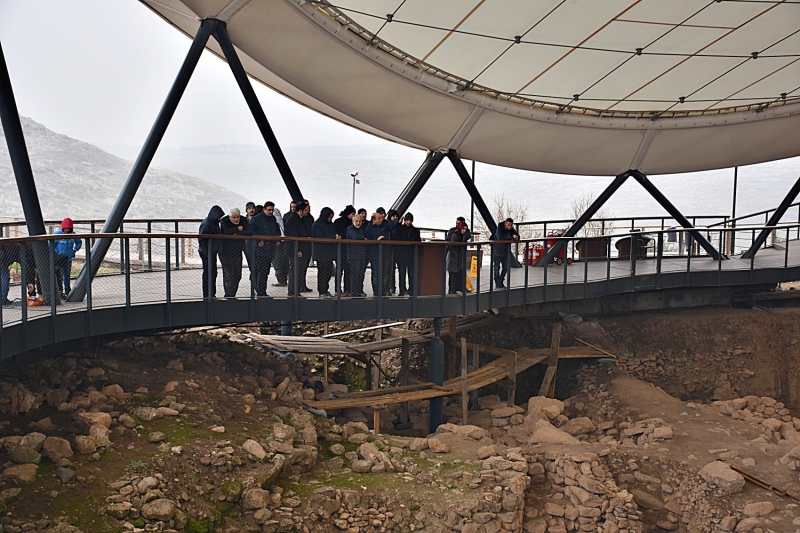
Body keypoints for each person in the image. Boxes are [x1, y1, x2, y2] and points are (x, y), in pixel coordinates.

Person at [249, 201, 282, 297]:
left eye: (272, 210)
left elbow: (277, 230)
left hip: (270, 249)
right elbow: (252, 231)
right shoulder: (256, 219)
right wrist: (260, 239)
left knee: (265, 271)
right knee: (261, 271)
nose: (271, 212)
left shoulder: (272, 219)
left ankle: (260, 290)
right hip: (260, 250)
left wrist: (277, 239)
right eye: (269, 210)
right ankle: (260, 291)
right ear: (264, 209)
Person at [219, 207, 252, 298]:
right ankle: (229, 295)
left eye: (237, 217)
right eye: (234, 217)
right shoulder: (224, 221)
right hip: (225, 251)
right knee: (229, 274)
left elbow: (249, 231)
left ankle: (232, 294)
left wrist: (237, 234)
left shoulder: (243, 220)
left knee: (237, 274)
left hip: (237, 251)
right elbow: (226, 232)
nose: (236, 219)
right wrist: (238, 228)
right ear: (229, 217)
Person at [285, 201, 313, 296]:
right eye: (305, 210)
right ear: (300, 211)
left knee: (300, 271)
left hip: (303, 248)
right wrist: (297, 250)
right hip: (296, 250)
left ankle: (296, 290)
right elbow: (293, 237)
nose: (307, 212)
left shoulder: (302, 218)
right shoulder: (292, 220)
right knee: (295, 270)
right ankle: (292, 291)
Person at [391, 212, 421, 296]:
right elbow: (395, 240)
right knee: (402, 274)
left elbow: (418, 241)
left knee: (411, 274)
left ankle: (411, 290)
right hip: (402, 254)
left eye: (410, 220)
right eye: (407, 220)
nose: (408, 222)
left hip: (410, 255)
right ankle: (402, 290)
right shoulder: (400, 229)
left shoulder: (414, 230)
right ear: (404, 220)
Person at [311, 207, 338, 298]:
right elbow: (319, 238)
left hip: (329, 253)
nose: (331, 219)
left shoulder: (331, 225)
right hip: (321, 254)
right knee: (322, 273)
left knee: (327, 273)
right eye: (330, 217)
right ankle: (322, 291)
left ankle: (325, 290)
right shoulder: (317, 225)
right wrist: (333, 237)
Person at [199, 205, 224, 298]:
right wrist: (207, 252)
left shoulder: (214, 222)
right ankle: (207, 294)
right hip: (206, 252)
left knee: (213, 272)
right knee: (208, 272)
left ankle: (211, 293)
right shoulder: (207, 224)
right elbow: (202, 239)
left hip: (212, 251)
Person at [364, 211, 391, 296]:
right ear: (374, 220)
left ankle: (383, 291)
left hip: (384, 253)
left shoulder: (384, 226)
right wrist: (376, 241)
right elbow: (367, 241)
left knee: (384, 273)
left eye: (381, 218)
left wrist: (398, 222)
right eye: (379, 219)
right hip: (374, 254)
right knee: (376, 272)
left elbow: (392, 226)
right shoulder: (368, 228)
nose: (381, 220)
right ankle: (376, 291)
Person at [54, 217, 81, 298]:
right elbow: (51, 244)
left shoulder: (73, 235)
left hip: (68, 259)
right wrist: (55, 254)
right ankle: (59, 291)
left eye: (69, 229)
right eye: (66, 229)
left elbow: (79, 242)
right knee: (59, 276)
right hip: (60, 260)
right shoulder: (57, 234)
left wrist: (75, 250)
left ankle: (67, 291)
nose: (67, 231)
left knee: (67, 275)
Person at [273, 201, 297, 287]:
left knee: (279, 262)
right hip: (283, 243)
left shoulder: (277, 220)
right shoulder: (284, 217)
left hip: (280, 244)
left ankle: (282, 280)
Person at [333, 205, 356, 295]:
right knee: (341, 270)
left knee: (346, 270)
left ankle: (345, 289)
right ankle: (339, 289)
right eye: (352, 214)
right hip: (341, 249)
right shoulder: (340, 222)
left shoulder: (349, 222)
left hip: (345, 249)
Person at [493, 218, 519, 289]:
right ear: (505, 224)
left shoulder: (511, 229)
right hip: (497, 251)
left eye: (511, 225)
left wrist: (516, 237)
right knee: (496, 268)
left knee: (506, 267)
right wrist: (511, 237)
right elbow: (500, 237)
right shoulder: (500, 227)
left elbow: (517, 235)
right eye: (508, 225)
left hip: (506, 252)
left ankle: (501, 280)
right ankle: (497, 282)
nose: (509, 227)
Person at [346, 214, 368, 297]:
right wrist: (363, 238)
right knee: (355, 274)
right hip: (353, 256)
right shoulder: (350, 229)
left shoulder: (361, 229)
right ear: (353, 221)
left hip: (362, 255)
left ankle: (359, 290)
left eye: (360, 221)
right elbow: (355, 236)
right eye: (357, 221)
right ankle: (354, 292)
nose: (358, 223)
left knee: (361, 274)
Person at [446, 218, 469, 294]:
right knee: (453, 274)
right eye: (463, 229)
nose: (464, 230)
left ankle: (458, 288)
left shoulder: (463, 235)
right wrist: (455, 255)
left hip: (459, 257)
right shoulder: (454, 234)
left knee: (459, 273)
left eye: (465, 229)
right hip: (454, 257)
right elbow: (451, 247)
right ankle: (452, 290)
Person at [386, 209, 400, 295]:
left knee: (399, 270)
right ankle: (391, 287)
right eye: (393, 216)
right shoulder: (388, 227)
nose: (395, 218)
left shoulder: (399, 227)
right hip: (390, 251)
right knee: (390, 270)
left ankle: (400, 288)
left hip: (399, 251)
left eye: (396, 216)